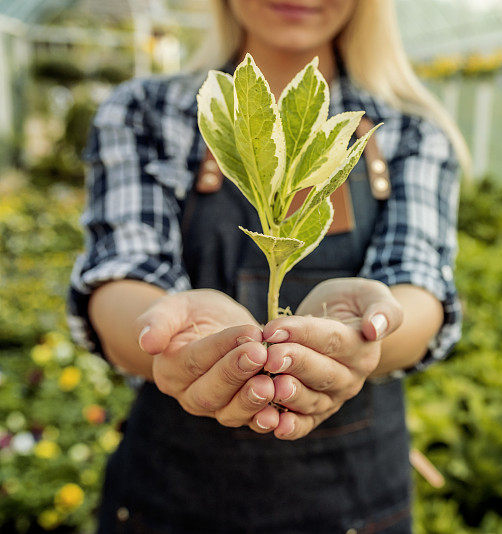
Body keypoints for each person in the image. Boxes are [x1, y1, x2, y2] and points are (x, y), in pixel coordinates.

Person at [67, 0, 469, 532]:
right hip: (169, 499)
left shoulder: (410, 131)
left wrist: (359, 340)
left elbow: (418, 289)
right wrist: (172, 335)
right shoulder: (144, 111)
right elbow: (121, 273)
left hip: (356, 504)